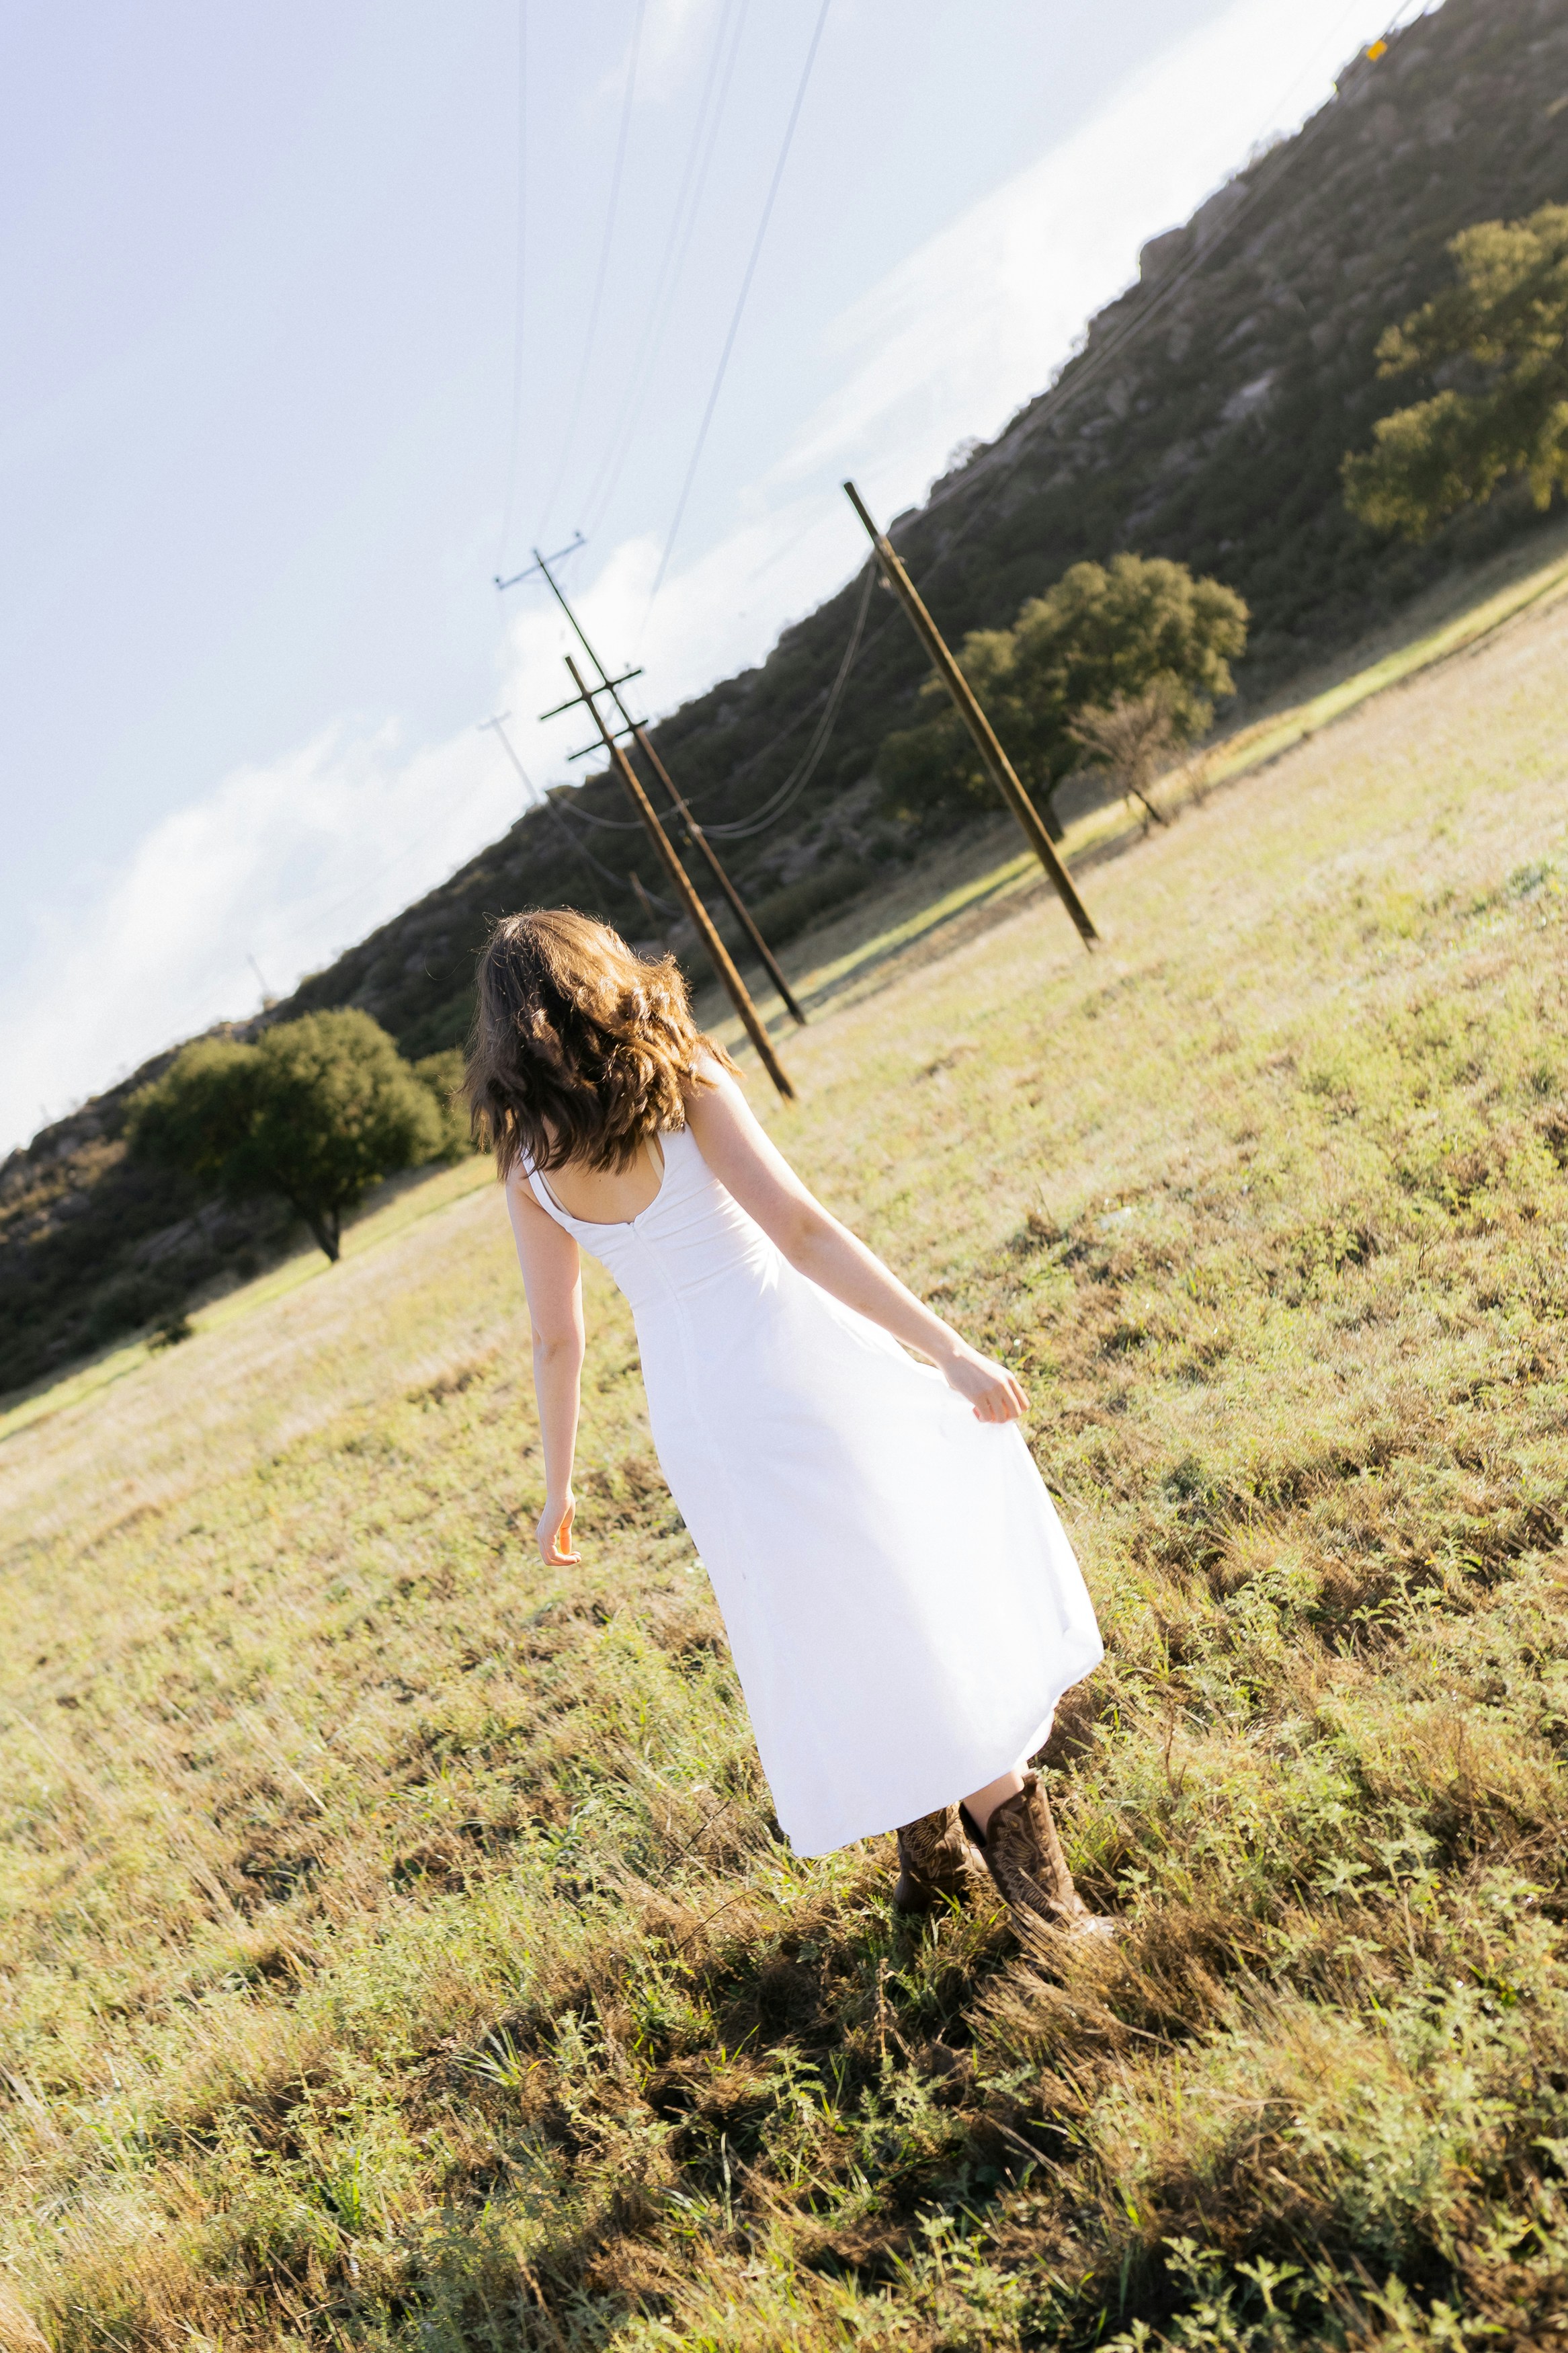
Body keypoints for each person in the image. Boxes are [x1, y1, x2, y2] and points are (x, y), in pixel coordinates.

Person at [465, 909, 1107, 1932]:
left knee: (830, 1616)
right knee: (909, 1589)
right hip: (796, 1371)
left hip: (698, 1414)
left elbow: (557, 1339)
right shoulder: (684, 1077)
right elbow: (801, 1232)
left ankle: (930, 1862)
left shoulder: (528, 1161)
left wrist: (559, 1485)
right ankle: (1052, 1916)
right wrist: (948, 1350)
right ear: (601, 975)